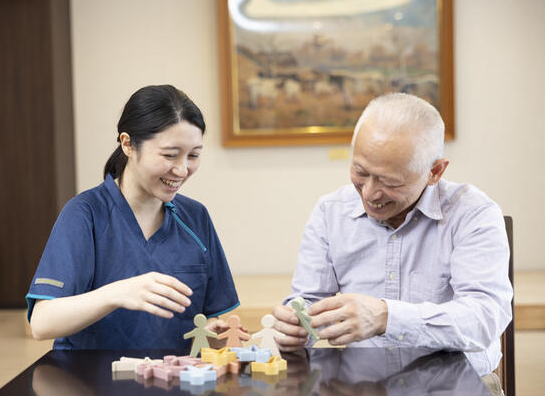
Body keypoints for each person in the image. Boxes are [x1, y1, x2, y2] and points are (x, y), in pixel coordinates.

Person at [272, 93, 512, 393]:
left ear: (435, 172)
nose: (370, 194)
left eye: (390, 182)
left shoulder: (473, 213)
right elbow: (308, 301)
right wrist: (296, 326)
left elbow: (484, 318)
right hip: (361, 386)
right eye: (360, 172)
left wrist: (387, 317)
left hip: (459, 386)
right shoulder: (330, 211)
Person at [26, 85, 239, 350]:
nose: (182, 169)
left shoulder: (195, 217)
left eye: (193, 155)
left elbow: (211, 317)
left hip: (174, 381)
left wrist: (211, 331)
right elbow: (42, 323)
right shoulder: (84, 214)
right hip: (92, 383)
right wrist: (116, 294)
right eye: (169, 155)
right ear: (127, 144)